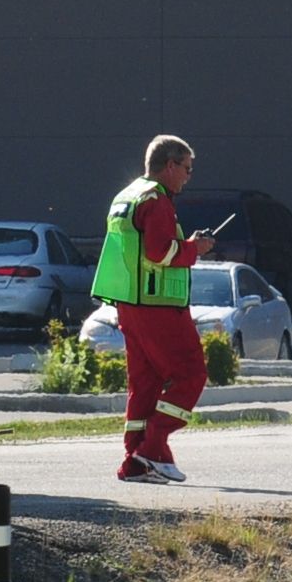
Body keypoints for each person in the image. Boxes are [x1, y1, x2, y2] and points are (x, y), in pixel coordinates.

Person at [92, 133, 212, 484]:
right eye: (187, 168)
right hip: (158, 306)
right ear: (170, 165)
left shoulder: (127, 195)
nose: (189, 176)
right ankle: (154, 447)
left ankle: (134, 461)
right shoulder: (157, 201)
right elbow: (161, 253)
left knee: (144, 384)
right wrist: (195, 248)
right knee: (192, 374)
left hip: (129, 306)